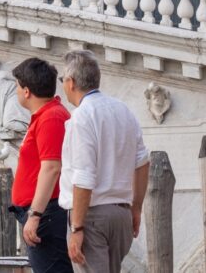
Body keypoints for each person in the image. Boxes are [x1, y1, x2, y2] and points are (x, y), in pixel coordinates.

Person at [59, 50, 150, 273]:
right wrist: (136, 208)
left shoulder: (82, 116)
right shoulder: (123, 110)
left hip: (91, 216)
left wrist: (77, 227)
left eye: (63, 80)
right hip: (121, 214)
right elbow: (142, 162)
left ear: (71, 83)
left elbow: (83, 176)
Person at [9, 58, 72, 273]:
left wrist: (35, 215)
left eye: (17, 86)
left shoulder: (51, 118)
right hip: (46, 212)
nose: (16, 92)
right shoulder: (46, 116)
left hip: (47, 214)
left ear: (26, 91)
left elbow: (52, 167)